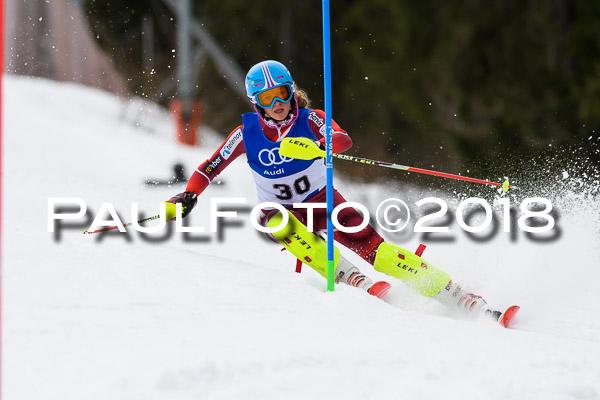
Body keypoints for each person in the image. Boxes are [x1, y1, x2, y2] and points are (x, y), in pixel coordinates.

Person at [166, 60, 499, 319]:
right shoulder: (245, 133)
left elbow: (342, 139)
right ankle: (349, 275)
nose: (278, 103)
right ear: (257, 102)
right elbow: (209, 166)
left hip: (322, 201)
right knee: (278, 222)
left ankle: (458, 297)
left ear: (291, 91)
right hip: (277, 211)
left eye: (282, 92)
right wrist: (190, 194)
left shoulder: (310, 119)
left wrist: (322, 145)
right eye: (268, 98)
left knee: (379, 252)